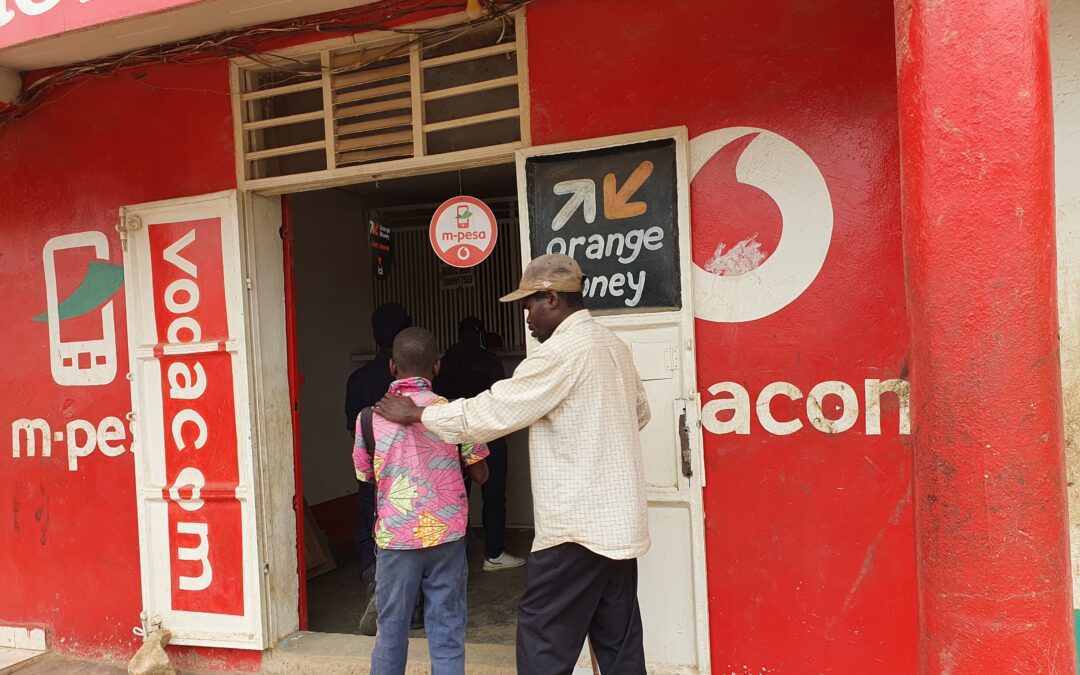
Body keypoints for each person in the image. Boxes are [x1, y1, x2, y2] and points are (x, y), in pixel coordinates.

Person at [376, 254, 651, 675]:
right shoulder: (612, 344)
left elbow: (491, 413)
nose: (526, 318)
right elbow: (640, 414)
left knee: (543, 646)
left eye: (528, 306)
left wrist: (418, 415)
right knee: (619, 648)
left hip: (574, 533)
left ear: (552, 299)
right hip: (617, 527)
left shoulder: (560, 354)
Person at [354, 327, 490, 675]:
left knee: (392, 630)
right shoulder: (454, 414)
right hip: (446, 536)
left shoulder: (368, 418)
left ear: (392, 366)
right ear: (438, 365)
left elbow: (366, 476)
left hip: (397, 539)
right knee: (446, 628)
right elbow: (482, 475)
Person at [435, 316, 525, 571]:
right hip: (487, 434)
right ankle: (494, 553)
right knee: (494, 495)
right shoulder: (489, 360)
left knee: (456, 497)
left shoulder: (446, 361)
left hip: (453, 434)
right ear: (481, 334)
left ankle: (456, 558)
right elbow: (500, 397)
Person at [344, 302, 411, 635]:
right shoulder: (410, 375)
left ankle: (374, 585)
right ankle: (411, 604)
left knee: (368, 528)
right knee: (411, 534)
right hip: (410, 474)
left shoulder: (357, 379)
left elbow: (351, 430)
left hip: (371, 470)